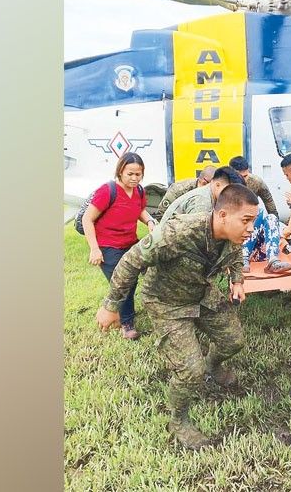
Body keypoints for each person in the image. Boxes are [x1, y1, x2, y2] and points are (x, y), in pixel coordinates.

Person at [95, 184, 260, 449]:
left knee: (233, 340)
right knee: (189, 370)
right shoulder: (179, 231)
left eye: (253, 220)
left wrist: (237, 280)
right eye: (247, 220)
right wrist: (111, 304)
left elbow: (236, 254)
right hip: (166, 302)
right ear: (222, 215)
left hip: (200, 294)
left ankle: (213, 366)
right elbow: (131, 260)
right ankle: (178, 421)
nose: (251, 228)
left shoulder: (233, 236)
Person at [81, 152, 157, 340]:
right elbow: (87, 219)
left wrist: (149, 221)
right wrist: (94, 248)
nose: (134, 178)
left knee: (130, 281)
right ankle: (126, 323)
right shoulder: (108, 191)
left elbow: (139, 210)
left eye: (138, 174)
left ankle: (123, 313)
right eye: (130, 174)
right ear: (120, 171)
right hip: (108, 247)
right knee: (123, 283)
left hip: (129, 243)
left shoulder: (139, 191)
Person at [158, 166, 245, 226]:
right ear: (218, 185)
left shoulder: (211, 193)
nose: (232, 197)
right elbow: (195, 237)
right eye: (230, 191)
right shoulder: (202, 203)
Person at [241, 199, 291, 274]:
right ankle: (243, 259)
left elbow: (288, 232)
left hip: (264, 254)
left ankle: (273, 262)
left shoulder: (268, 220)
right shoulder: (239, 220)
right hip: (244, 251)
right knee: (260, 213)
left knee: (271, 217)